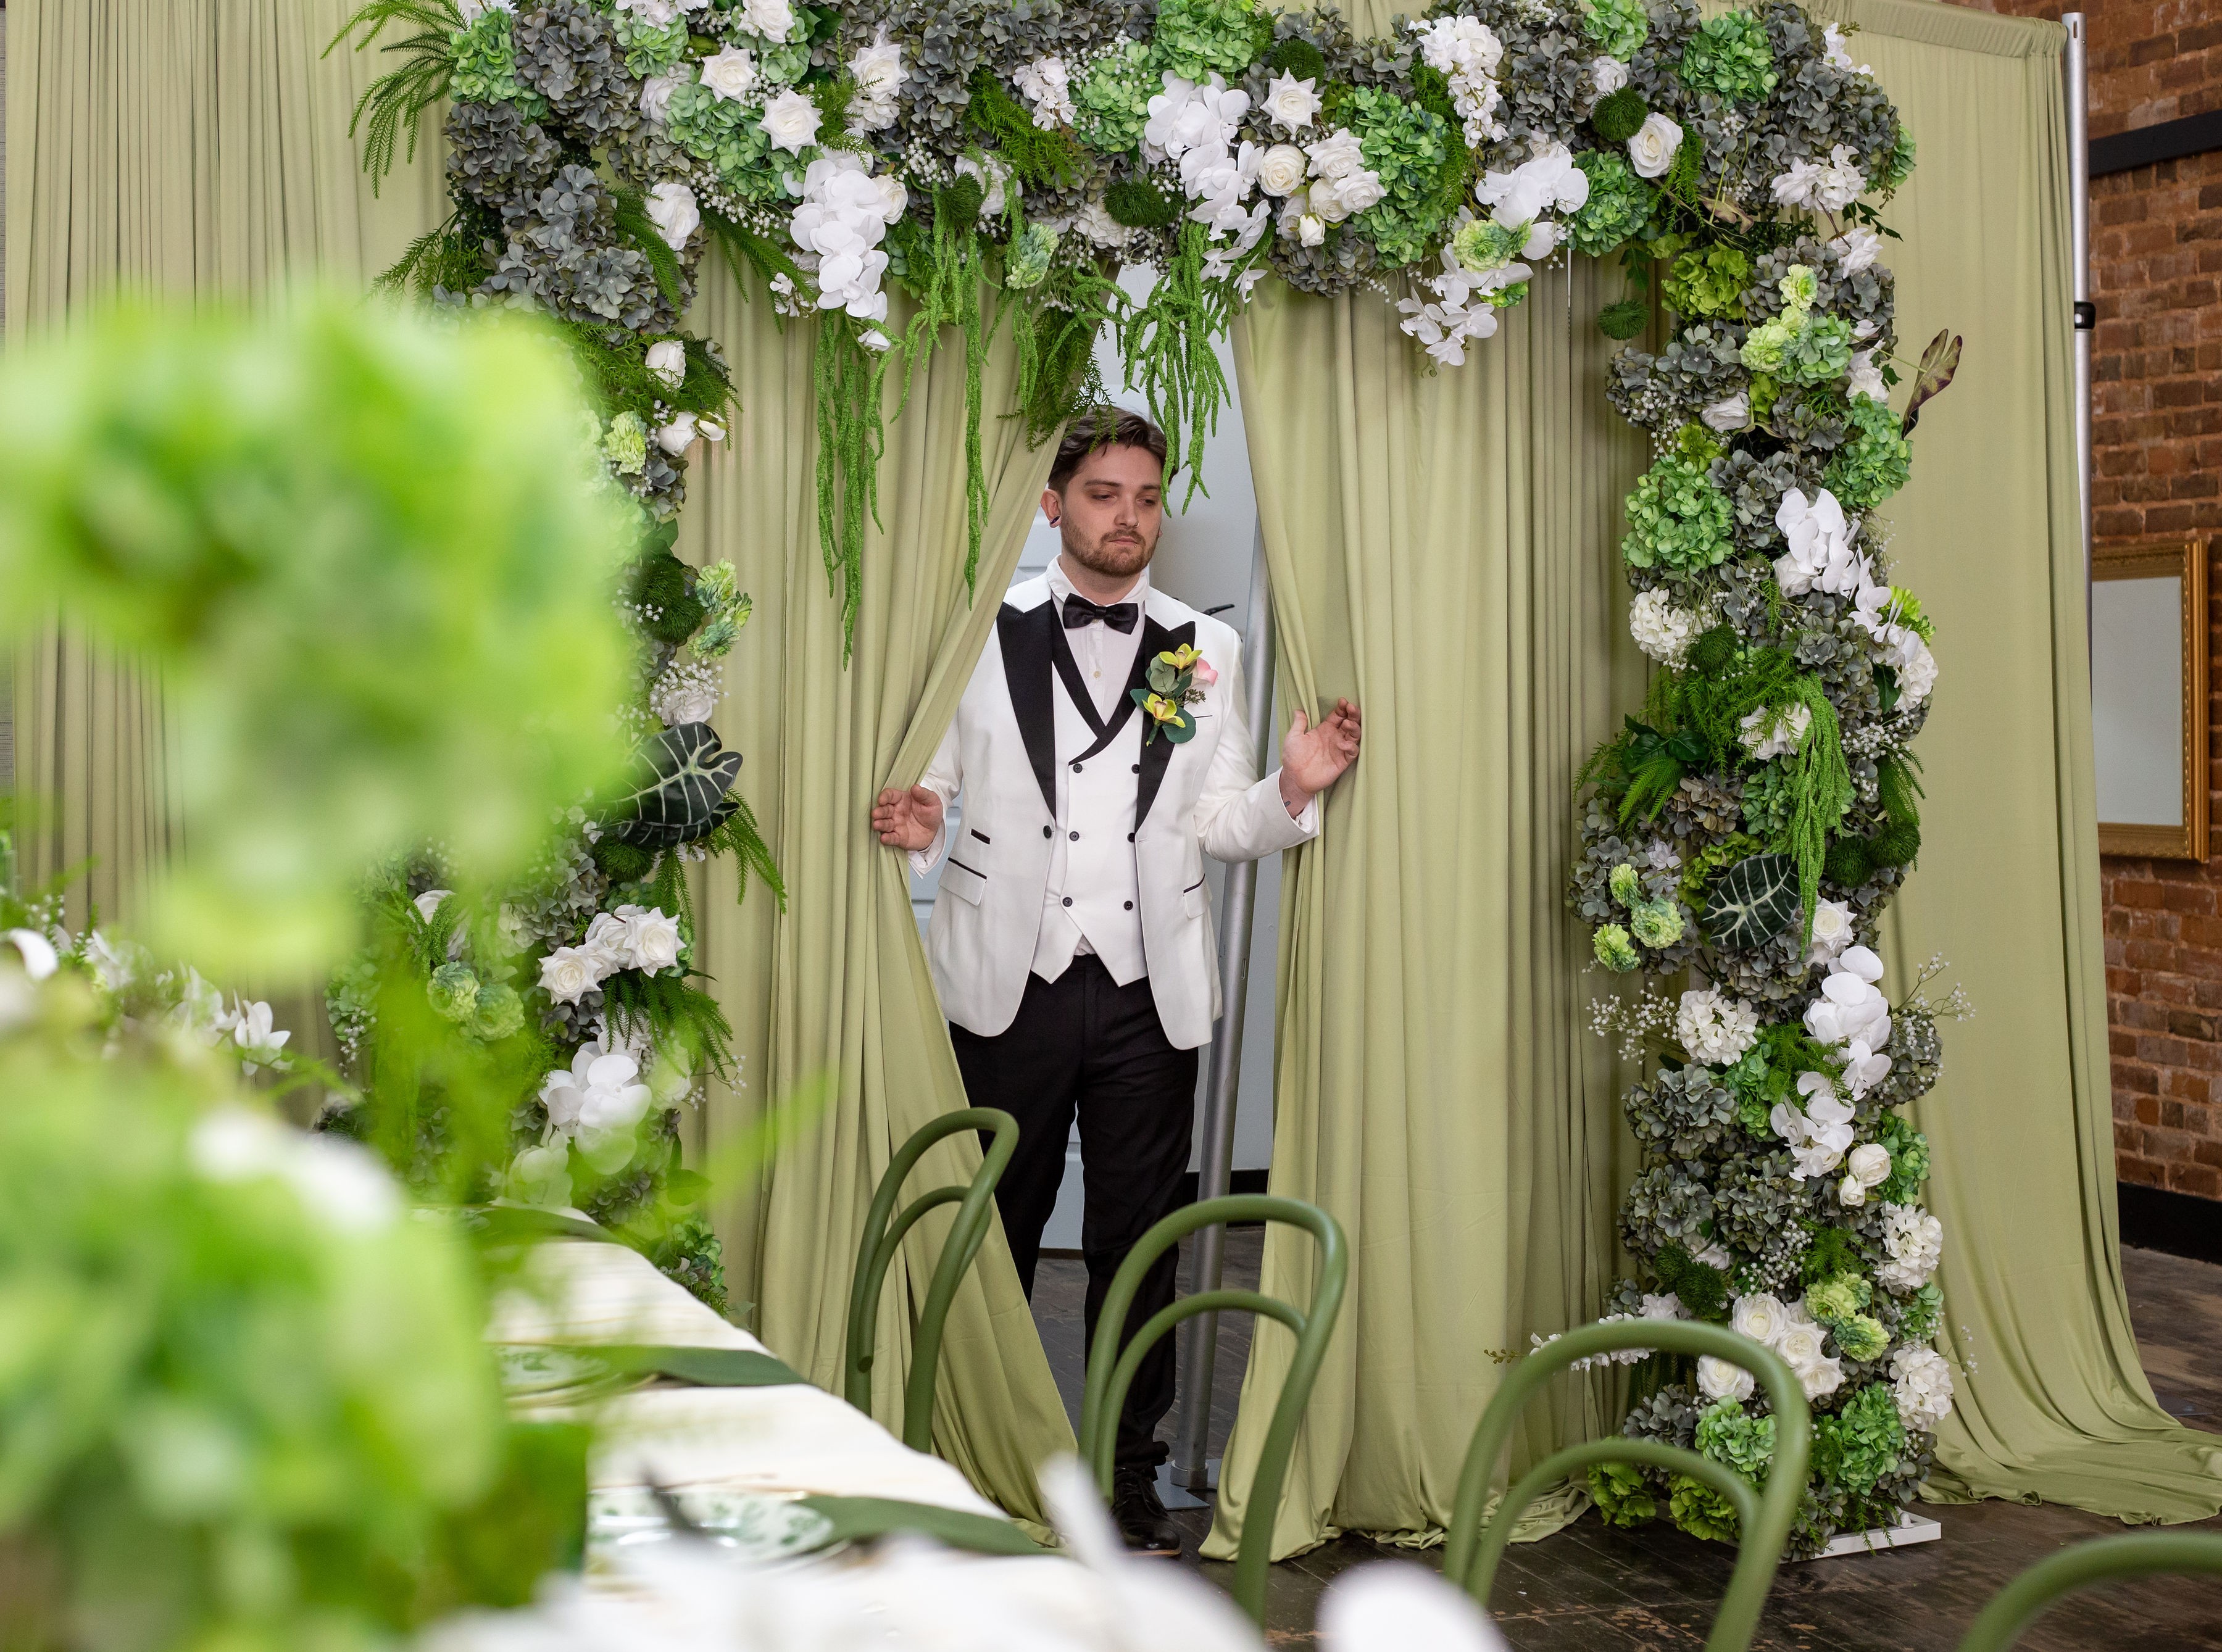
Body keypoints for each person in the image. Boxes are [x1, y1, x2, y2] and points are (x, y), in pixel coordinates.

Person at [872, 407, 1362, 1556]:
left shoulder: (1203, 649)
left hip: (1152, 988)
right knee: (997, 1222)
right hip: (1009, 979)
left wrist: (1293, 788)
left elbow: (1215, 821)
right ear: (1051, 504)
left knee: (1141, 1239)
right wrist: (921, 820)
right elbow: (934, 790)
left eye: (1145, 497)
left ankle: (1127, 1471)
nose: (1127, 517)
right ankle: (972, 1450)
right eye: (1103, 494)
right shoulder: (980, 633)